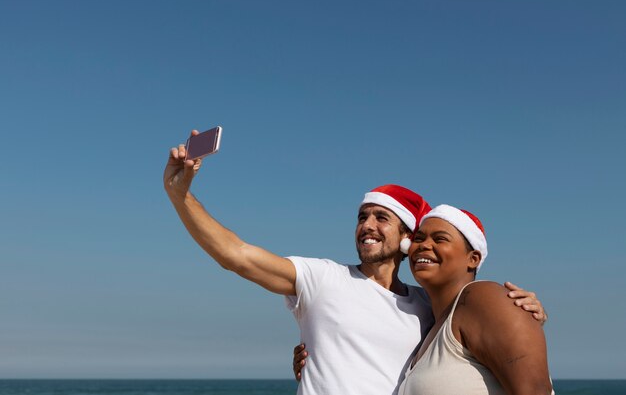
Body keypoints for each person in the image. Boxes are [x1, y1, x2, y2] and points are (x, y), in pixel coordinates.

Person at [163, 131, 546, 395]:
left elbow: (489, 340)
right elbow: (237, 255)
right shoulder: (324, 278)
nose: (367, 225)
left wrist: (526, 311)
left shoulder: (430, 309)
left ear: (405, 238)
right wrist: (180, 196)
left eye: (382, 218)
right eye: (362, 216)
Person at [398, 204, 553, 394]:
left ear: (473, 259)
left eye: (440, 239)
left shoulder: (482, 297)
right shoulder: (431, 329)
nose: (424, 245)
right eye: (419, 238)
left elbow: (536, 390)